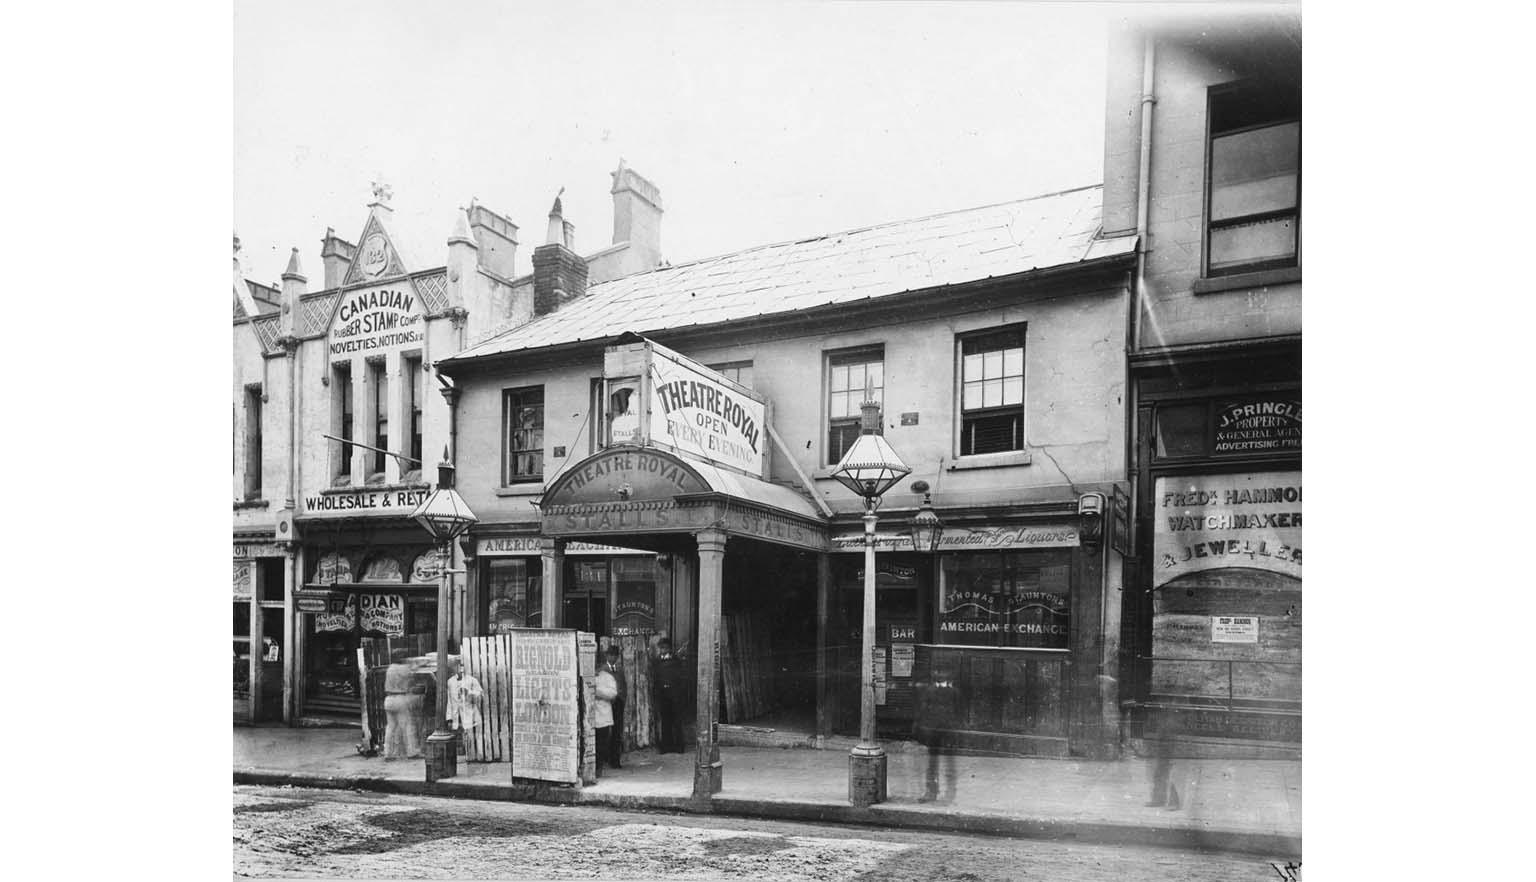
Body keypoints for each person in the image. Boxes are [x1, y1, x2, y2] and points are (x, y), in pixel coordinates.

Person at [383, 649, 426, 760]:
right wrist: (415, 663)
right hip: (400, 698)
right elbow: (414, 674)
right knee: (408, 726)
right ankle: (412, 752)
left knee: (390, 727)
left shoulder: (390, 668)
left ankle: (388, 753)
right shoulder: (404, 669)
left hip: (388, 699)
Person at [653, 637, 687, 754]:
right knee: (665, 721)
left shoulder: (676, 660)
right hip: (663, 695)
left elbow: (681, 677)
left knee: (677, 721)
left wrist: (678, 692)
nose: (663, 650)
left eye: (665, 648)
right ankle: (666, 746)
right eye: (661, 648)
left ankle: (679, 746)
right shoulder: (656, 661)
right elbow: (655, 678)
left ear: (669, 649)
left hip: (675, 694)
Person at [445, 657, 484, 758]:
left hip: (469, 713)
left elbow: (480, 694)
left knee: (471, 735)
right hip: (456, 714)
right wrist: (449, 717)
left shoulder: (471, 680)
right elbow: (449, 701)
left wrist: (469, 692)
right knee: (458, 734)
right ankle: (462, 754)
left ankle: (474, 755)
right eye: (457, 667)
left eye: (461, 666)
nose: (459, 669)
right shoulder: (450, 682)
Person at [592, 652, 619, 775]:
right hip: (588, 717)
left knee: (601, 744)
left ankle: (598, 768)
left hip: (602, 716)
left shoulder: (607, 677)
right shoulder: (583, 675)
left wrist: (597, 691)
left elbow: (613, 693)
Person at [603, 645, 627, 769]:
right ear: (607, 656)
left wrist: (622, 699)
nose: (613, 658)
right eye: (610, 655)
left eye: (615, 655)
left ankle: (615, 759)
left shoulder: (620, 669)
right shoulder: (603, 670)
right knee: (606, 731)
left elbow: (623, 685)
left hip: (618, 703)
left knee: (617, 732)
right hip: (607, 704)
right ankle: (605, 758)